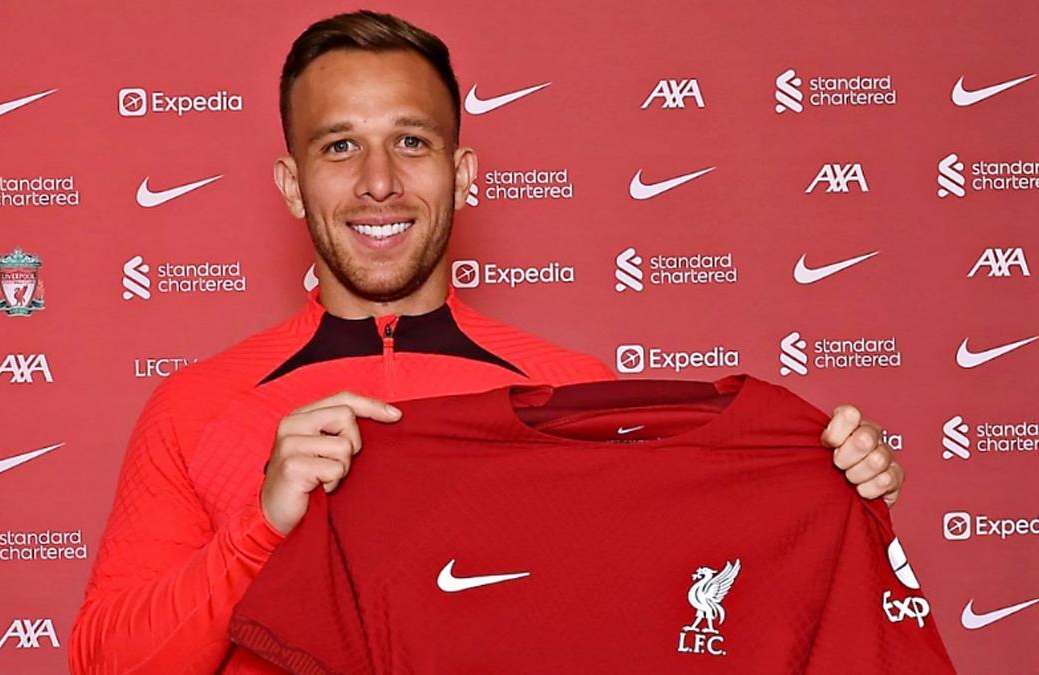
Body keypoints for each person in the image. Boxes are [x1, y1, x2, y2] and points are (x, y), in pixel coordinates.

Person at [70, 11, 903, 674]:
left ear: (463, 172)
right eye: (338, 146)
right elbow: (108, 664)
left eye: (411, 140)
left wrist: (830, 488)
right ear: (293, 187)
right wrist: (261, 525)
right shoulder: (197, 407)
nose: (378, 182)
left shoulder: (577, 397)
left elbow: (690, 615)